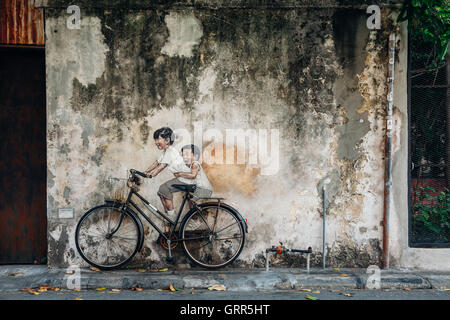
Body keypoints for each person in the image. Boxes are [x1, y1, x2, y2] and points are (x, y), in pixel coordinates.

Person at [144, 127, 190, 220]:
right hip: (182, 178)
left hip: (186, 178)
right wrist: (146, 171)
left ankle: (171, 216)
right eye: (155, 139)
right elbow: (156, 163)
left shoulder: (170, 151)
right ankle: (168, 213)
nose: (156, 142)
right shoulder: (166, 152)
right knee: (161, 192)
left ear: (167, 140)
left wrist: (153, 174)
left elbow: (162, 166)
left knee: (164, 189)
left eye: (158, 139)